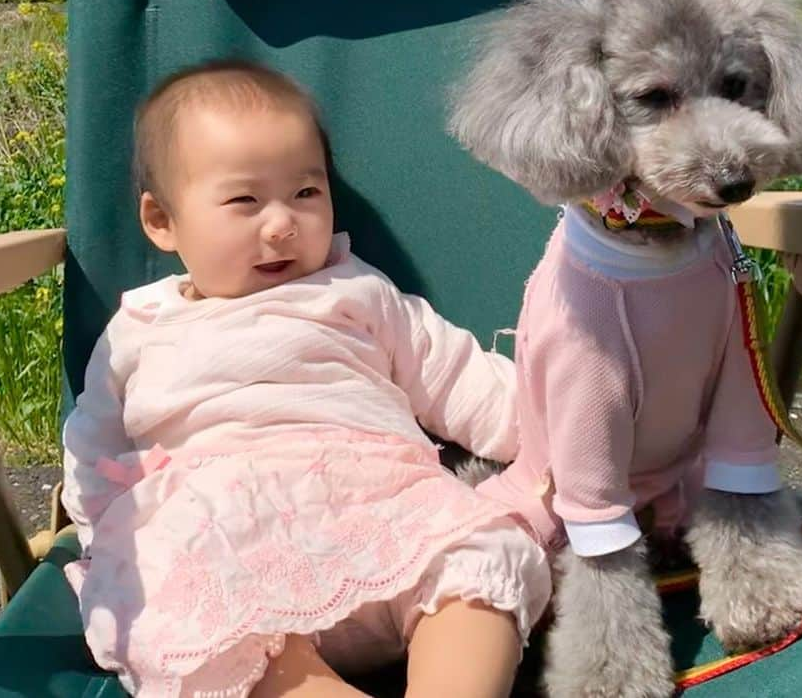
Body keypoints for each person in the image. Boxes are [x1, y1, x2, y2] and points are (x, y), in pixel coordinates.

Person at [62, 59, 550, 698]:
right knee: (178, 603)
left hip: (383, 510)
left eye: (306, 193)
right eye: (245, 200)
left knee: (484, 553)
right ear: (162, 221)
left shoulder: (354, 288)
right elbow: (93, 450)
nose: (282, 223)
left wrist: (567, 424)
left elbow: (459, 376)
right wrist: (113, 540)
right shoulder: (142, 325)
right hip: (224, 535)